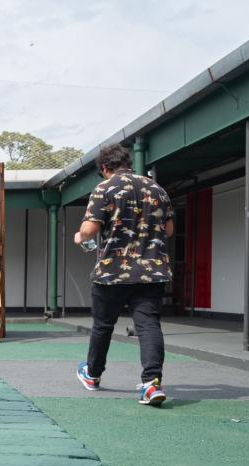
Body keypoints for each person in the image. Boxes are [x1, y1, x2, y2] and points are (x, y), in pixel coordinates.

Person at [74, 143, 174, 406]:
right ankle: (152, 384)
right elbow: (169, 230)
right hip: (152, 271)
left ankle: (93, 375)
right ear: (128, 163)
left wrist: (79, 236)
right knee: (148, 325)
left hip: (113, 271)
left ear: (105, 168)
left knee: (103, 325)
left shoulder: (105, 188)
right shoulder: (157, 189)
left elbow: (89, 229)